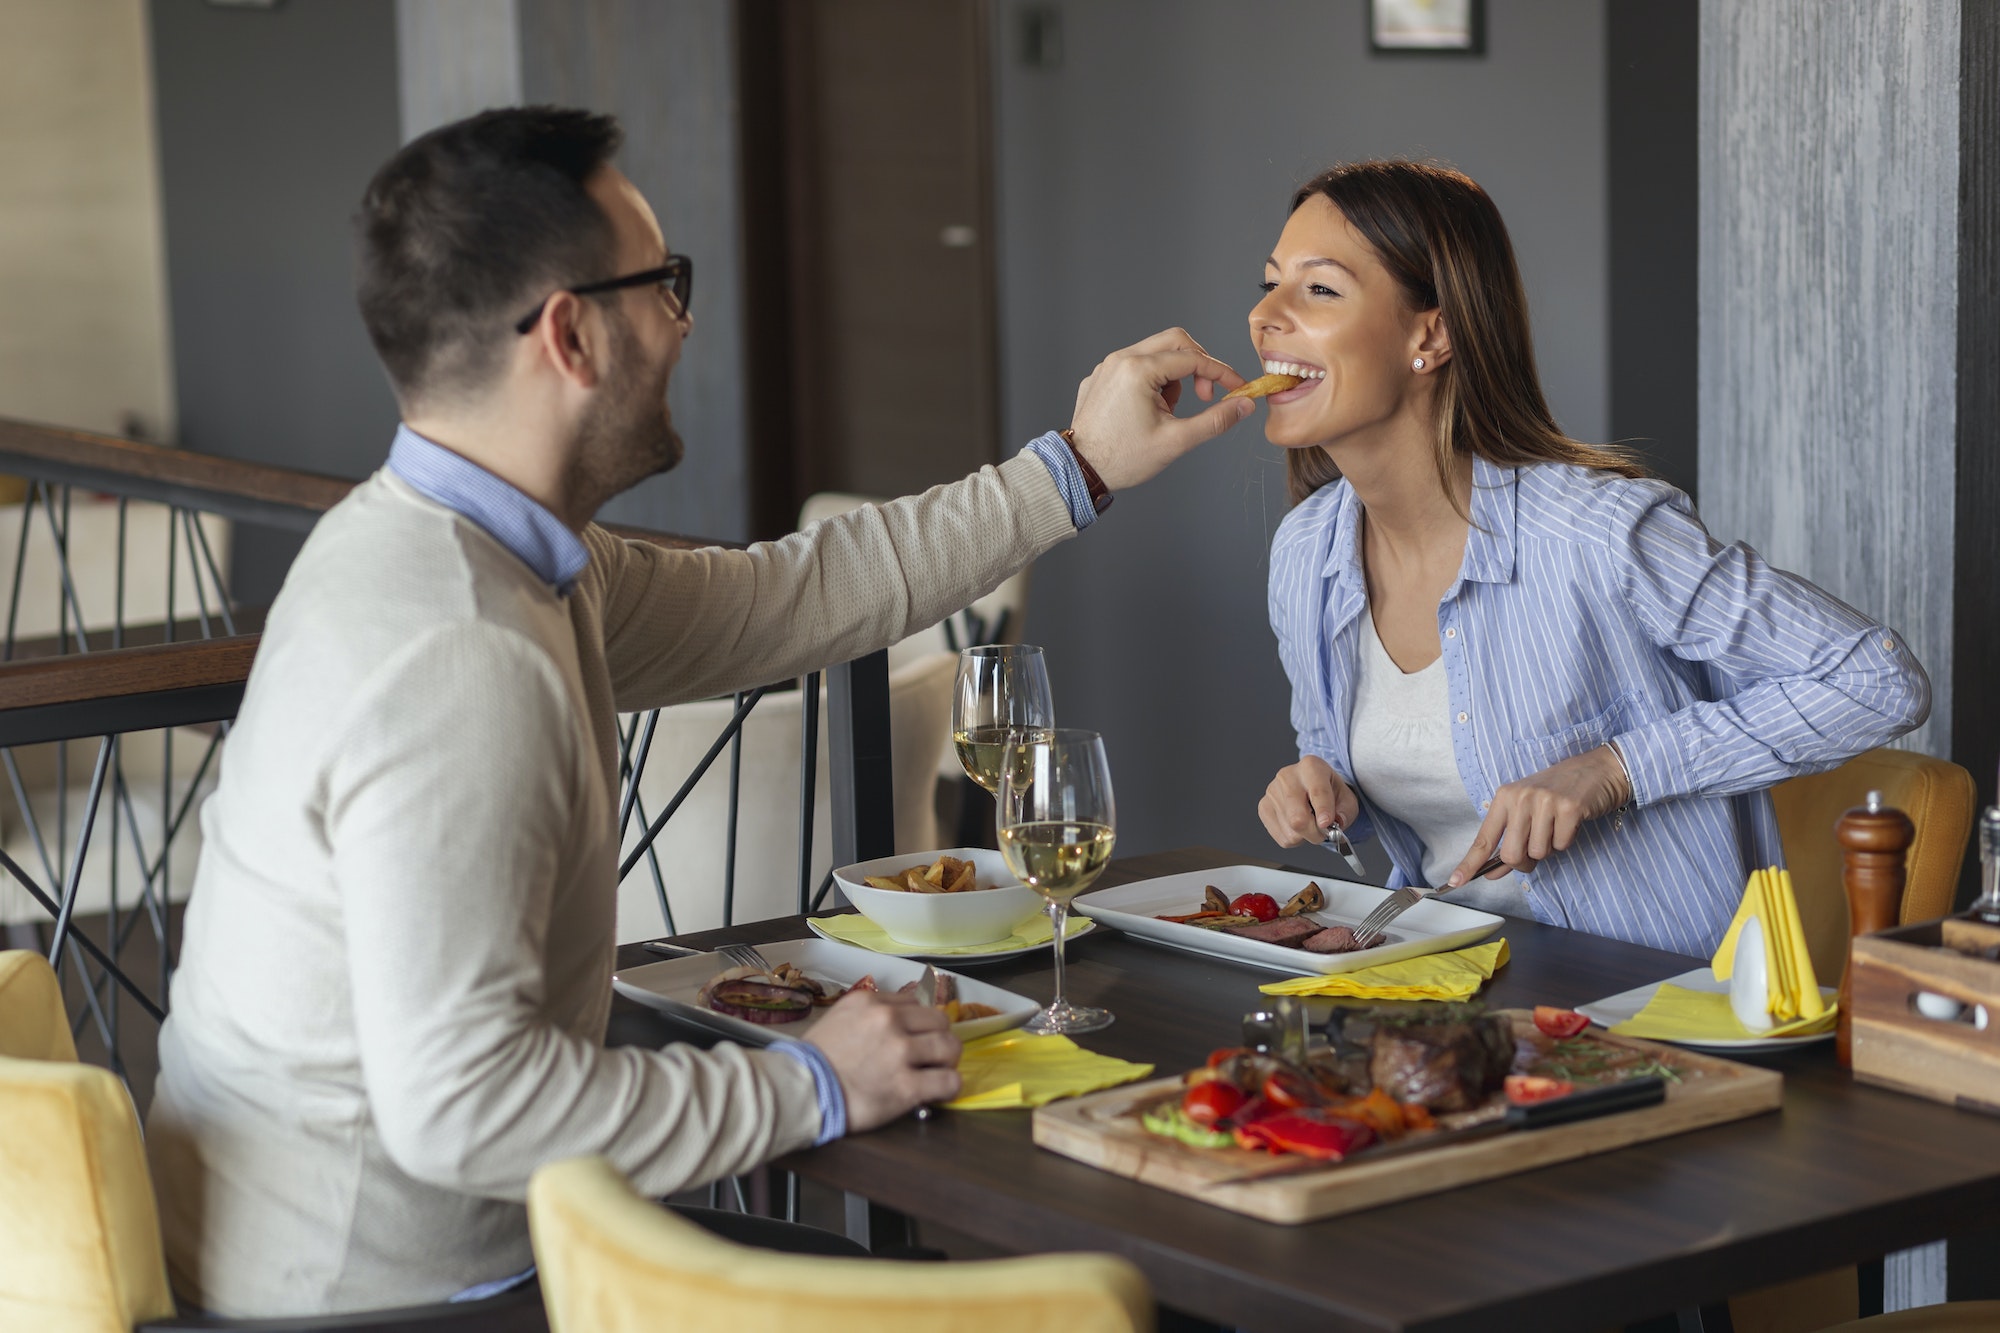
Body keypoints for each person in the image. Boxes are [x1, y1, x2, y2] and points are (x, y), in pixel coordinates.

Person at [145, 106, 1253, 1317]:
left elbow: (791, 595)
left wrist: (1076, 465)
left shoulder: (460, 548)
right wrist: (815, 1084)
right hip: (378, 1298)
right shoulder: (461, 647)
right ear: (569, 336)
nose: (683, 322)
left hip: (415, 1249)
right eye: (663, 285)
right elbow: (465, 1110)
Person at [1252, 160, 1929, 957]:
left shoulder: (1599, 531)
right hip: (1443, 986)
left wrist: (1614, 770)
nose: (1265, 314)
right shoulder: (1307, 551)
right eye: (1269, 284)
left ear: (1428, 335)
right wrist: (1322, 784)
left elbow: (1879, 678)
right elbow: (1366, 755)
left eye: (1318, 289)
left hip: (1649, 1008)